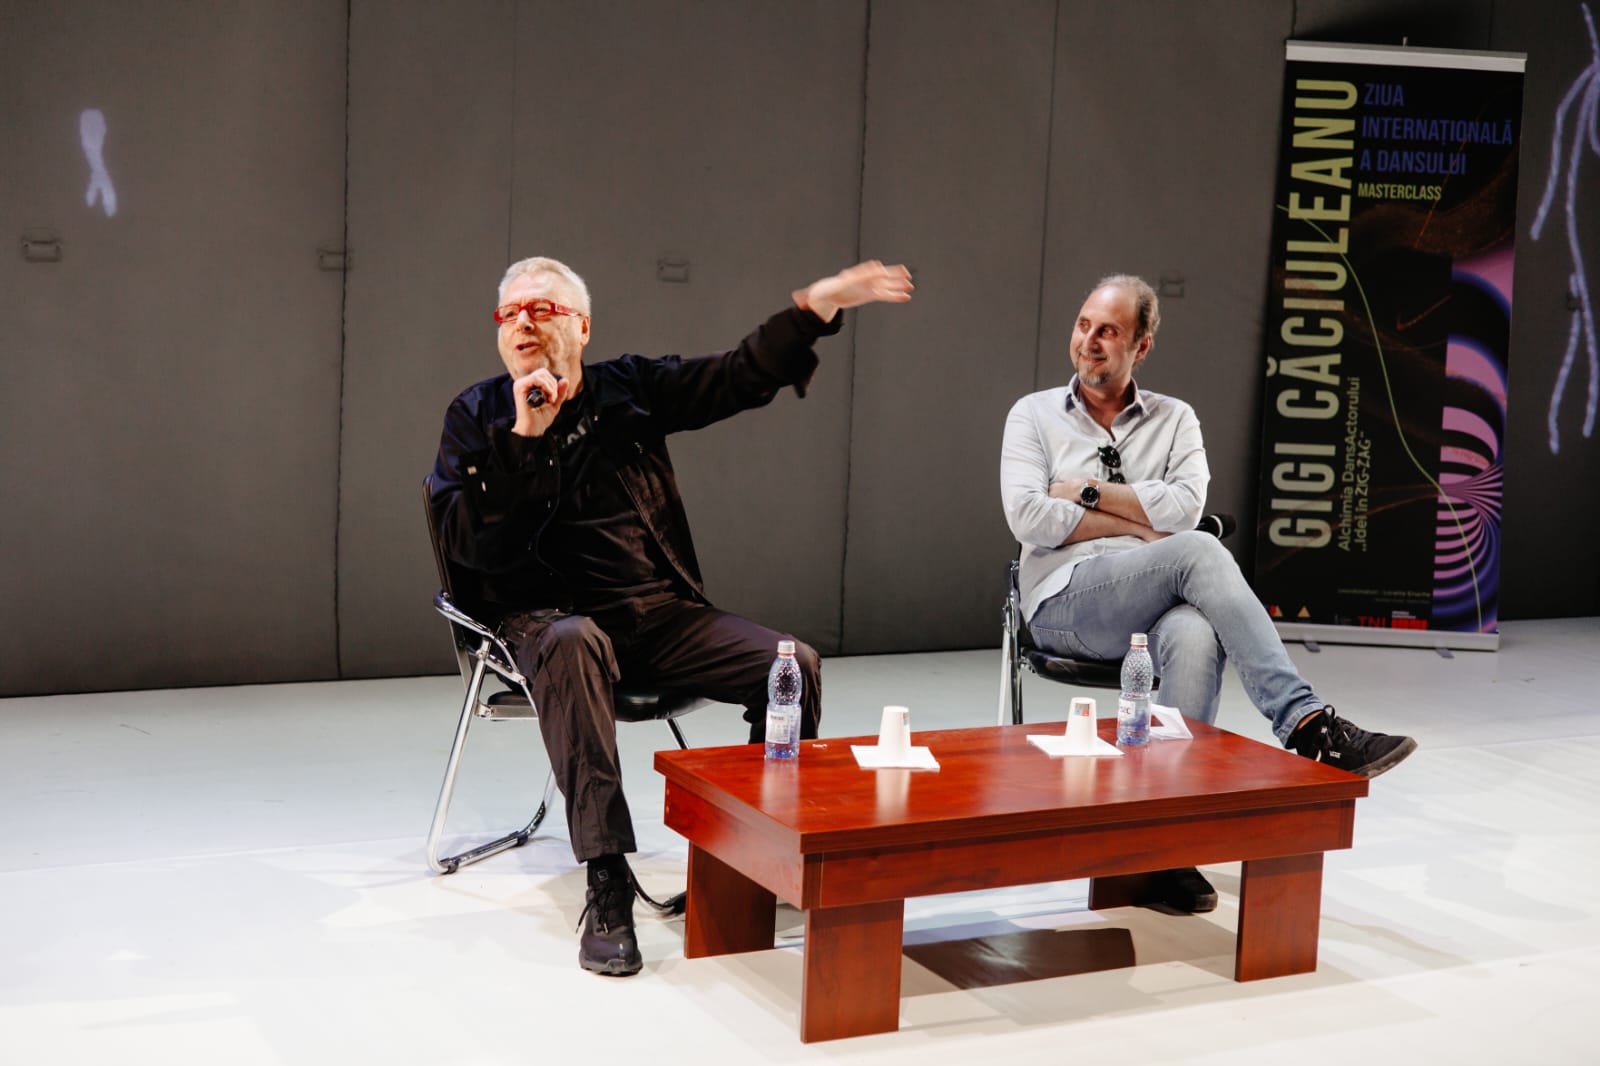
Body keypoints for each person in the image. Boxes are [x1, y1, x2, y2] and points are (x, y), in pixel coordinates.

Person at [430, 256, 913, 976]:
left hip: (653, 615)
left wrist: (814, 307)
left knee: (790, 666)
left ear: (582, 328)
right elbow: (466, 547)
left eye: (544, 309)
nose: (523, 322)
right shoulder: (476, 417)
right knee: (573, 640)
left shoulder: (628, 389)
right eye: (510, 313)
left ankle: (758, 856)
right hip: (543, 624)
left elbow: (736, 375)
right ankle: (607, 881)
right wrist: (524, 438)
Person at [1000, 274, 1416, 914]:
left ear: (1141, 345)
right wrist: (1142, 523)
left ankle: (1167, 844)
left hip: (1155, 601)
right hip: (1067, 601)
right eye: (1084, 325)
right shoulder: (1032, 415)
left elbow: (1186, 509)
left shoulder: (1175, 420)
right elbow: (1030, 517)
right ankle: (1307, 723)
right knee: (1198, 550)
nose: (1089, 341)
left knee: (1194, 632)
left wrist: (1086, 492)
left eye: (1109, 331)